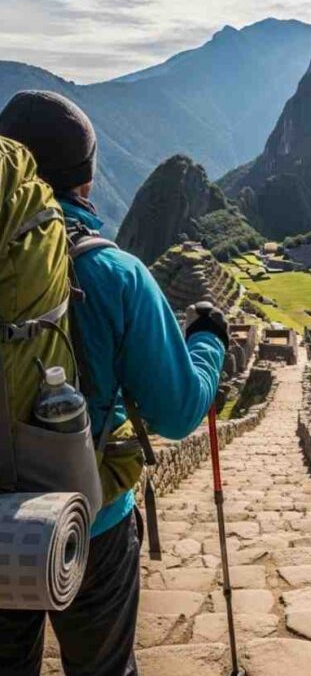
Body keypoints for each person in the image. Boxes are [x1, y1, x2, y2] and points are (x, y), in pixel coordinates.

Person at [0, 90, 228, 676]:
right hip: (90, 520)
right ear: (86, 178)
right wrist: (208, 342)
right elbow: (177, 411)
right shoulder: (114, 272)